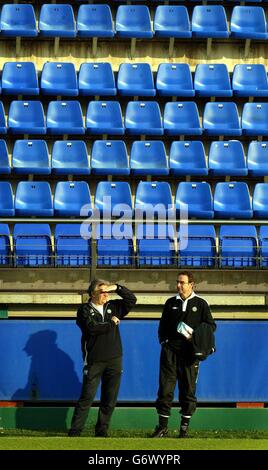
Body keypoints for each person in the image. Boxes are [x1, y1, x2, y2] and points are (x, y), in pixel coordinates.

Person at [68, 279, 137, 437]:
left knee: (109, 398)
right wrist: (111, 324)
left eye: (108, 291)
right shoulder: (84, 310)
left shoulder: (113, 307)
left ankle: (101, 431)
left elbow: (131, 299)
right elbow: (91, 328)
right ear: (92, 294)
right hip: (94, 360)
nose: (106, 294)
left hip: (114, 359)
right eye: (102, 291)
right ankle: (75, 431)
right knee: (87, 397)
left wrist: (116, 287)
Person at [152, 271, 216, 438]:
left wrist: (195, 336)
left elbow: (210, 327)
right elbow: (162, 327)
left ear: (191, 284)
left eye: (182, 282)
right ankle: (162, 428)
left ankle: (184, 429)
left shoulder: (201, 304)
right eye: (177, 282)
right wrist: (164, 342)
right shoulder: (170, 303)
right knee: (165, 389)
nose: (179, 285)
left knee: (188, 390)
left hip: (190, 355)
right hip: (170, 353)